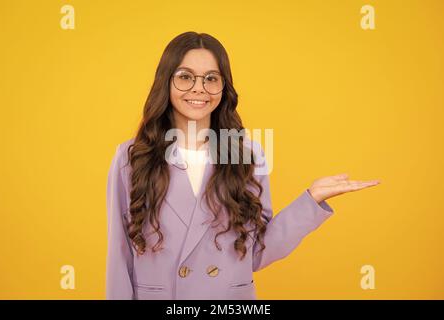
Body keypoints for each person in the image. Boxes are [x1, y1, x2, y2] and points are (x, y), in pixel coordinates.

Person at [106, 31, 381, 300]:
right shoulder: (131, 157)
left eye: (211, 78)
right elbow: (119, 255)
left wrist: (311, 200)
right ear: (166, 82)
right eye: (185, 77)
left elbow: (256, 252)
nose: (199, 88)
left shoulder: (248, 154)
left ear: (223, 88)